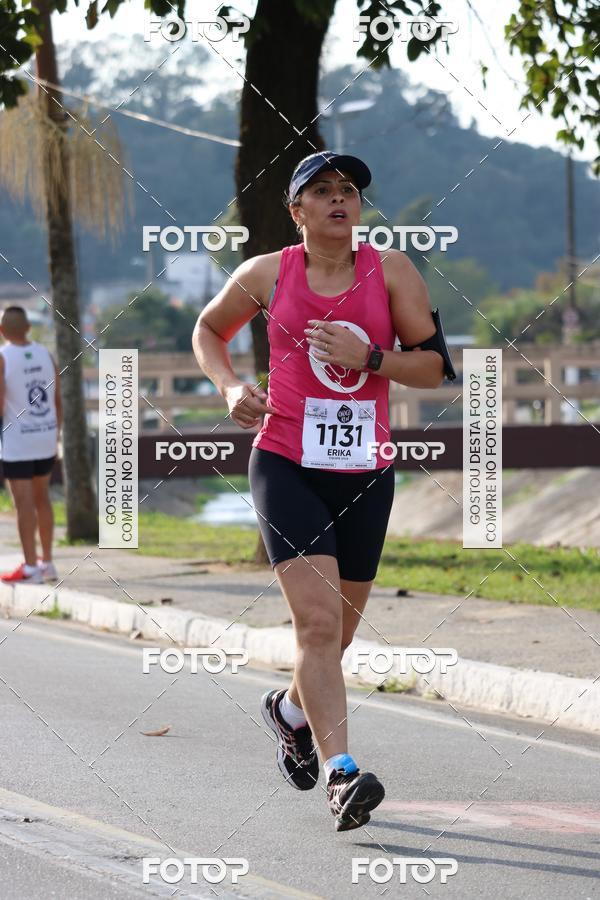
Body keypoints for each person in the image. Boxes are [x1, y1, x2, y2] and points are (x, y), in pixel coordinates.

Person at [192, 151, 455, 832]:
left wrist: (367, 357)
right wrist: (227, 386)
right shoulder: (264, 274)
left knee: (335, 639)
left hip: (365, 471)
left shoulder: (390, 270)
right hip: (286, 464)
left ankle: (287, 711)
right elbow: (207, 330)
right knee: (314, 624)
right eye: (322, 191)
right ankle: (342, 776)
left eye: (349, 191)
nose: (339, 200)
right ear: (296, 210)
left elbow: (434, 369)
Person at [0, 306, 61, 584]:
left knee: (22, 503)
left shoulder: (3, 358)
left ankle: (29, 567)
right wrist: (56, 433)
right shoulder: (46, 355)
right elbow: (57, 399)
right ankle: (47, 563)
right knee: (42, 499)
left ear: (2, 332)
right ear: (27, 328)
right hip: (45, 436)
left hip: (18, 441)